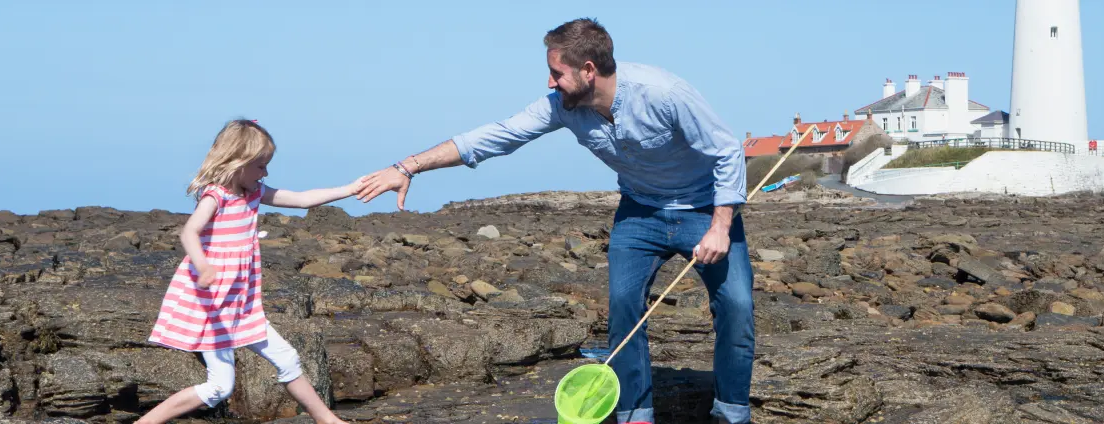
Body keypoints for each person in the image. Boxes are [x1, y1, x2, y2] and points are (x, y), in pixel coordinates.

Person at [352, 18, 754, 424]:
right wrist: (408, 167)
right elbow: (496, 136)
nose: (550, 83)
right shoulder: (565, 108)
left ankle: (732, 414)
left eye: (557, 73)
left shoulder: (664, 93)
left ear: (588, 71)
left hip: (705, 209)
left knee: (737, 307)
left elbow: (726, 150)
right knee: (622, 308)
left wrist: (720, 227)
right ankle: (637, 415)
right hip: (639, 212)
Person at [139, 119, 358, 424]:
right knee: (219, 386)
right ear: (237, 162)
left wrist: (350, 189)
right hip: (214, 307)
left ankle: (327, 420)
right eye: (260, 166)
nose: (265, 173)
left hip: (242, 305)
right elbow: (189, 232)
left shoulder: (254, 193)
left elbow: (302, 199)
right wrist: (203, 265)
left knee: (287, 357)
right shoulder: (215, 196)